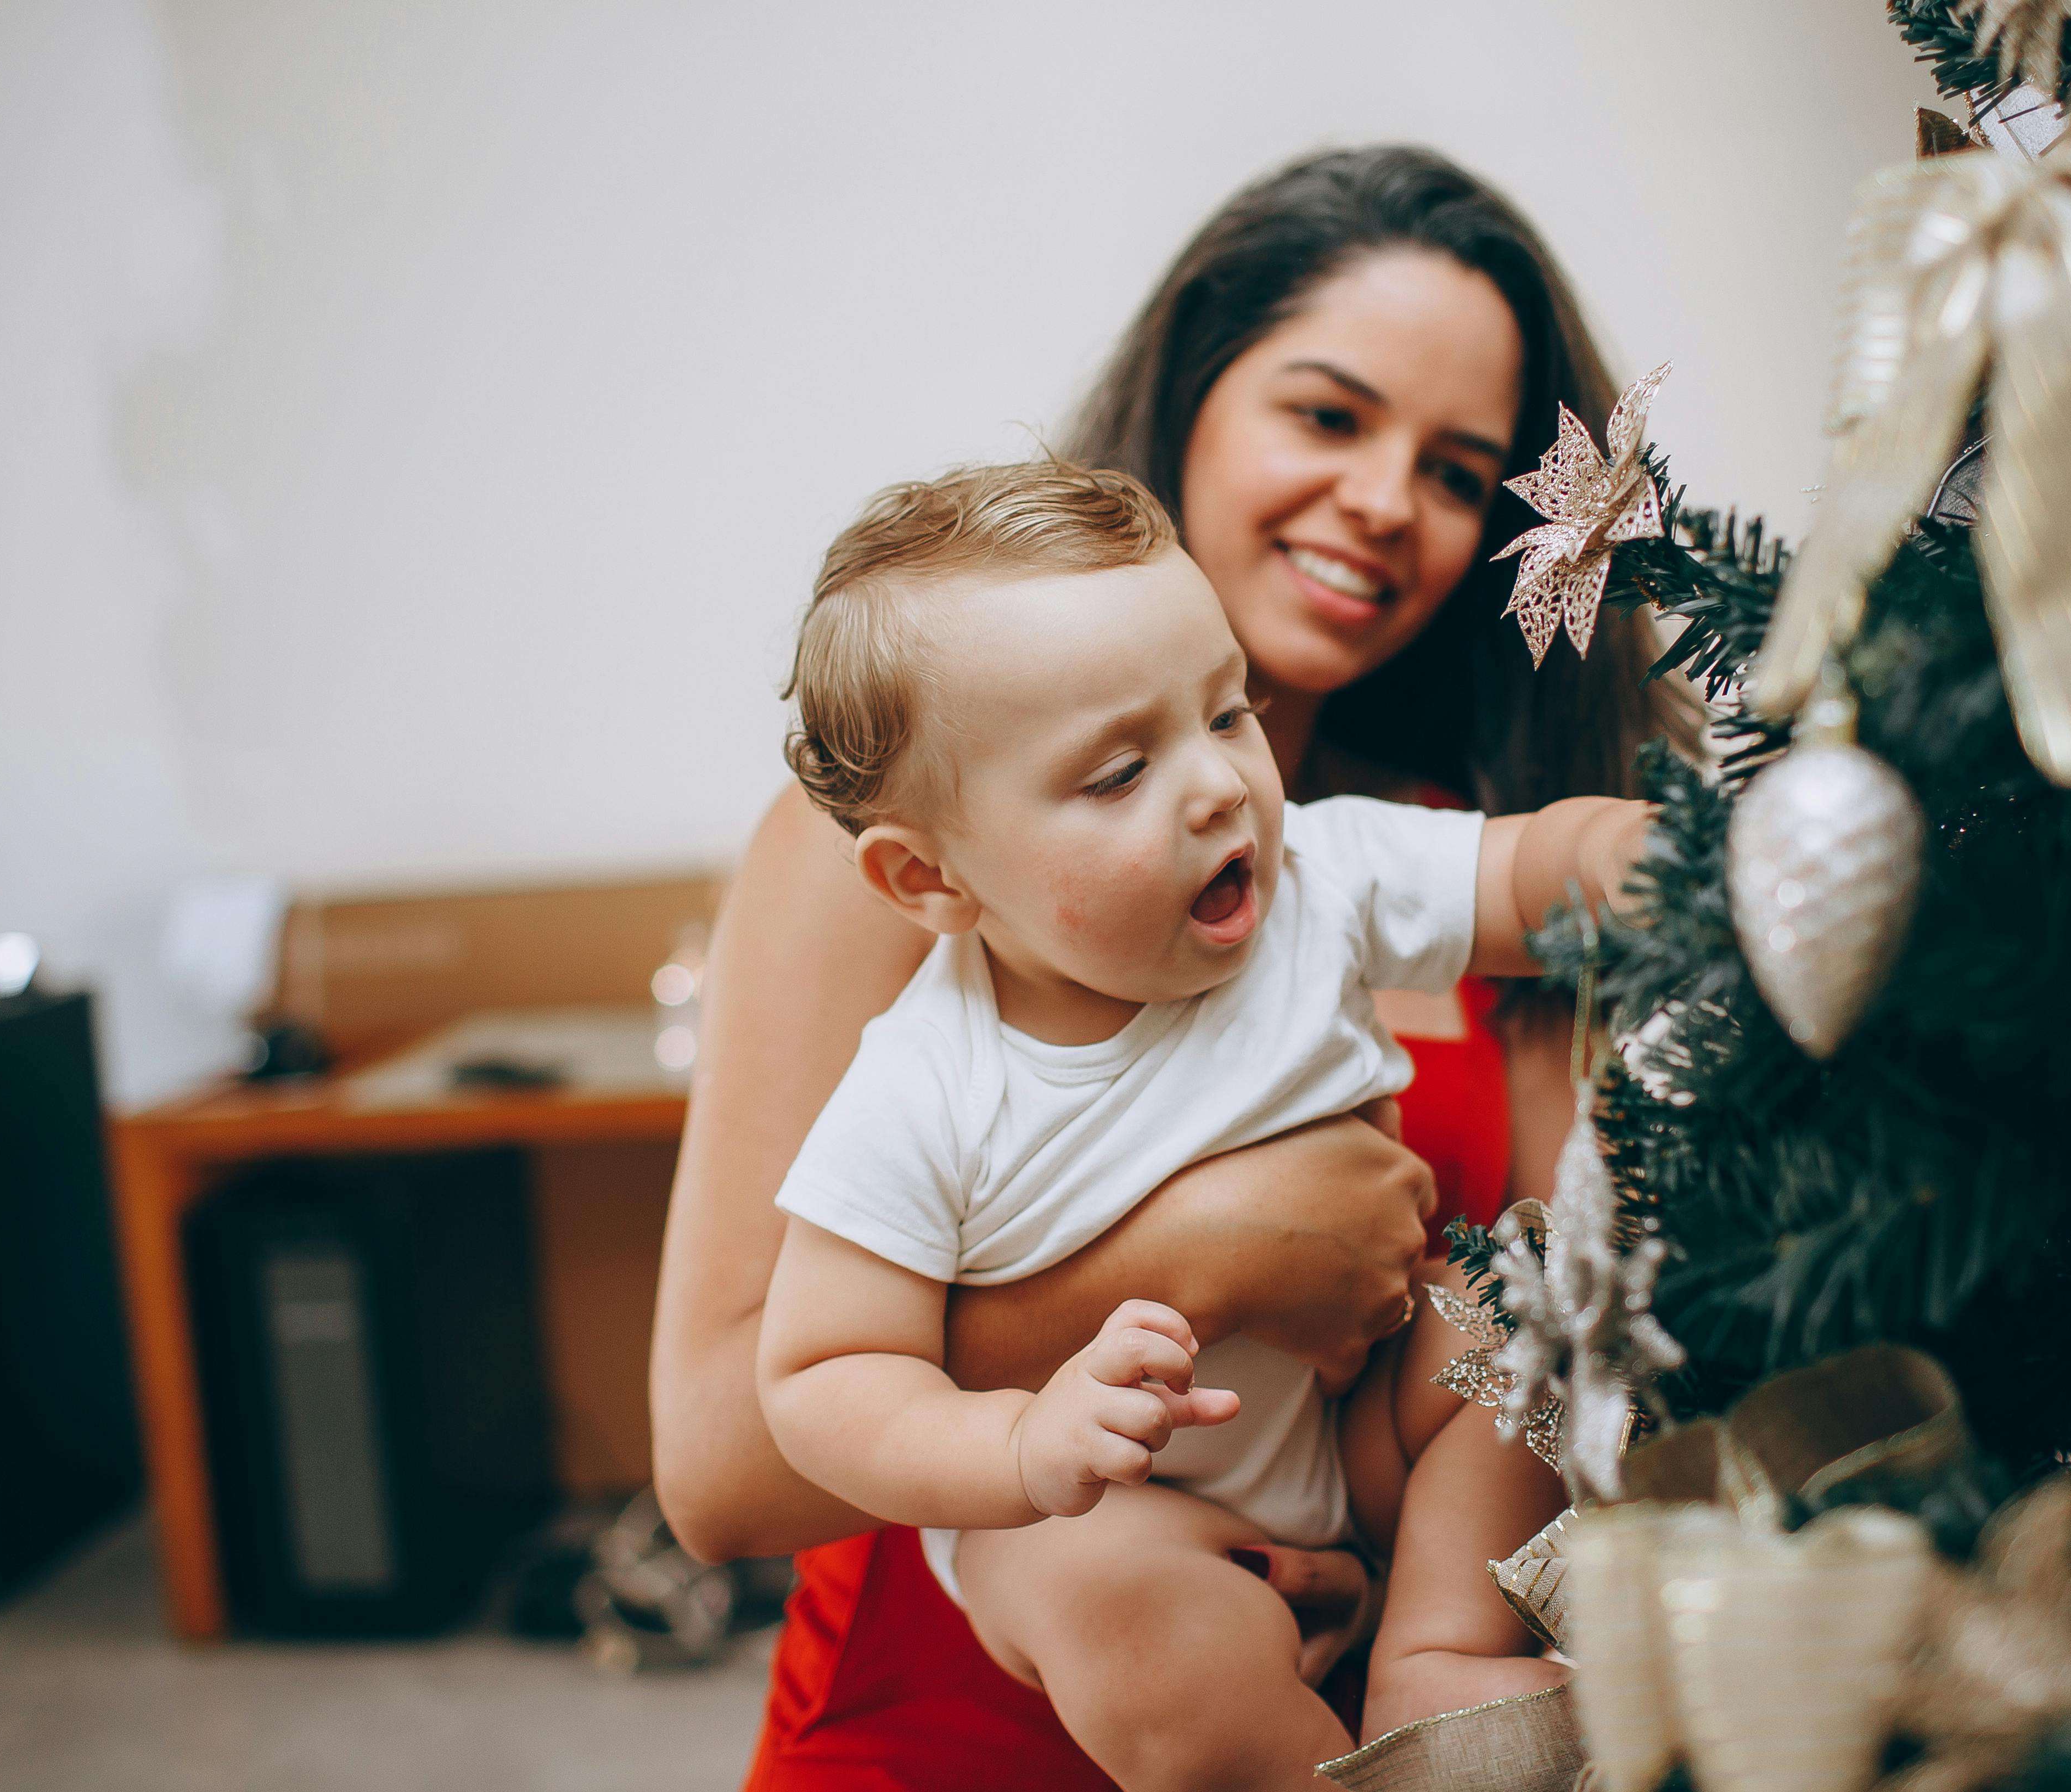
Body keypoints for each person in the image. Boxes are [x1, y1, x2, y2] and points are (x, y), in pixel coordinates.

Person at [649, 144, 1689, 1789]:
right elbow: (719, 1466)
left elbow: (1577, 1328)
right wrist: (1201, 1252)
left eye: (1454, 469)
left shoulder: (1388, 854)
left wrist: (1404, 1564)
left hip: (1358, 1702)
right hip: (973, 1709)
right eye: (1332, 416)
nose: (1383, 501)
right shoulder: (932, 868)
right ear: (1194, 394)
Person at [755, 461, 1651, 1790]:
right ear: (929, 875)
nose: (1220, 787)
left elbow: (1525, 869)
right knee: (1135, 1624)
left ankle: (1438, 1652)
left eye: (1228, 713)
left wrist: (1643, 856)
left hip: (1348, 1431)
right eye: (1120, 771)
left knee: (1519, 1310)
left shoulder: (1320, 880)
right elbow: (819, 1376)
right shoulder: (926, 1086)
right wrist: (1014, 1446)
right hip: (1098, 1512)